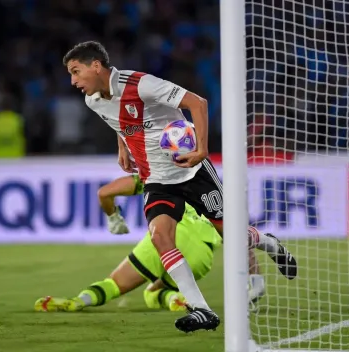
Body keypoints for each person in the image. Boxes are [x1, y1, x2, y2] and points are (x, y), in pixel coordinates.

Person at [63, 41, 297, 332]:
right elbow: (118, 121)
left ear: (95, 66)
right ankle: (202, 310)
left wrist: (201, 149)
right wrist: (122, 147)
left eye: (76, 71)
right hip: (156, 179)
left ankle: (270, 243)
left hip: (192, 171)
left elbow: (197, 103)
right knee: (161, 237)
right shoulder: (94, 100)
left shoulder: (142, 84)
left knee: (233, 238)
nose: (73, 81)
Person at [34, 174, 222, 314]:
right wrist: (252, 279)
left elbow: (104, 193)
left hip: (167, 237)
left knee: (113, 284)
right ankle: (175, 298)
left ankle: (79, 301)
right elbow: (239, 238)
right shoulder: (210, 182)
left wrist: (113, 217)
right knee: (153, 292)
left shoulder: (157, 170)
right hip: (202, 253)